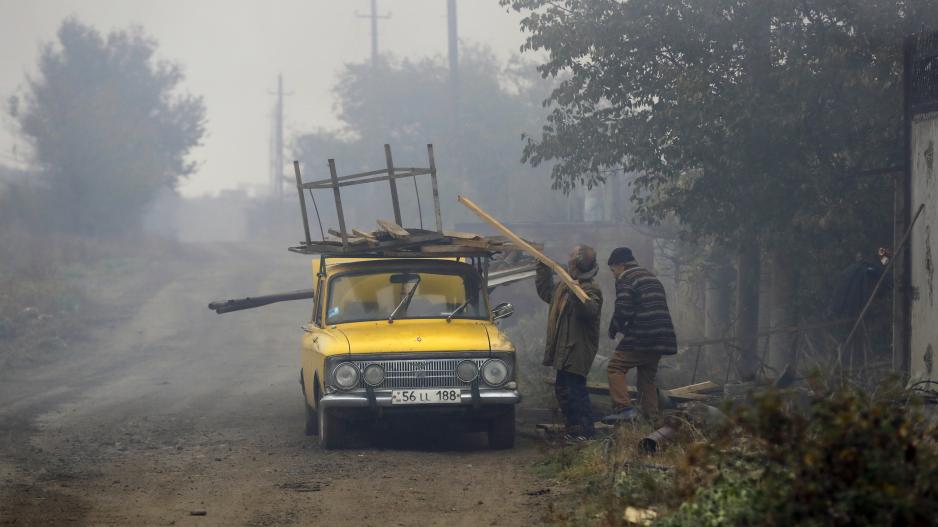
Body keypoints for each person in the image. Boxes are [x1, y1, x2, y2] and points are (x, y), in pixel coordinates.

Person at [535, 245, 603, 441]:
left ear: (578, 264)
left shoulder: (590, 289)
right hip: (564, 350)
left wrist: (575, 288)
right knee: (563, 391)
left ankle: (585, 432)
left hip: (577, 350)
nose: (568, 260)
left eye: (572, 258)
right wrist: (542, 268)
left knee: (576, 392)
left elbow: (589, 310)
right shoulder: (564, 286)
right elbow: (547, 292)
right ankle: (573, 430)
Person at [604, 247, 676, 423]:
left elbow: (624, 309)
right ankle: (652, 418)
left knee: (615, 367)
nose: (613, 274)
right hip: (661, 336)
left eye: (613, 270)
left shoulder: (626, 278)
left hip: (643, 334)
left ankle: (624, 409)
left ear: (620, 265)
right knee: (646, 378)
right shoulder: (650, 276)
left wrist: (614, 328)